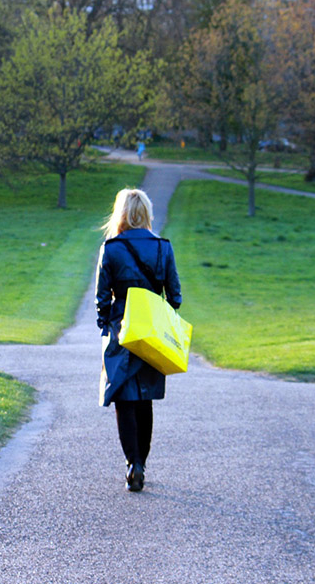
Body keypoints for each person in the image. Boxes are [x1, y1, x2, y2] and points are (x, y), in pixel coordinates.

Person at [95, 188, 182, 492]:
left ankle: (133, 463)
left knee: (123, 397)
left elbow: (101, 300)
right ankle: (141, 462)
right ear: (145, 213)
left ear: (120, 214)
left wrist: (106, 326)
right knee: (144, 398)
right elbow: (176, 297)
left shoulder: (111, 249)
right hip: (152, 331)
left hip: (121, 330)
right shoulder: (163, 248)